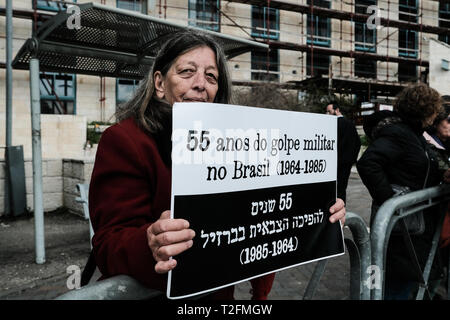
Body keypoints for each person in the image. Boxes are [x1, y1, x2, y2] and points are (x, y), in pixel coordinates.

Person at [89, 30, 346, 300]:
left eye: (211, 76)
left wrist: (320, 214)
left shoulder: (234, 146)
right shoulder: (125, 140)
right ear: (160, 83)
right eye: (187, 72)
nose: (201, 84)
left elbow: (263, 217)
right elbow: (108, 245)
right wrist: (150, 243)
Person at [357, 83, 444, 300]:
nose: (437, 116)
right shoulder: (400, 134)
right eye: (434, 110)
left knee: (405, 281)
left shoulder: (415, 134)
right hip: (402, 227)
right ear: (425, 109)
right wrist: (391, 202)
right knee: (396, 284)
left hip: (413, 225)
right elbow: (368, 163)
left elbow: (415, 168)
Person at [325, 101, 361, 202]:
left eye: (329, 111)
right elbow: (357, 143)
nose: (327, 114)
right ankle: (341, 212)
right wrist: (352, 159)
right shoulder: (350, 124)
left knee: (331, 189)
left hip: (334, 163)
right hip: (347, 163)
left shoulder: (332, 124)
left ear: (336, 111)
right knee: (341, 189)